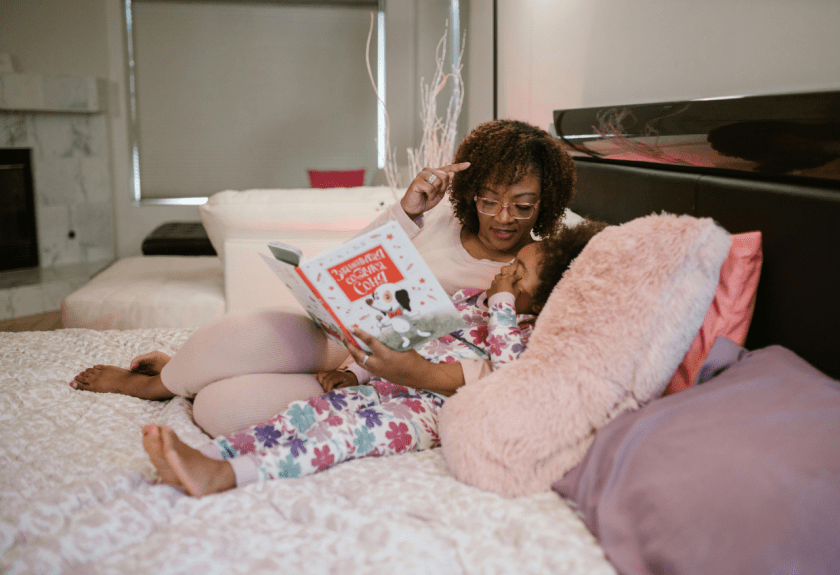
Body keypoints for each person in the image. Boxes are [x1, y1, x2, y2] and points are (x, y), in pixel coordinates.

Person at [71, 119, 578, 437]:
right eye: (489, 200)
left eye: (522, 204)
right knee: (232, 335)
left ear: (545, 202)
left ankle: (193, 375)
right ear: (471, 193)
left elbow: (524, 363)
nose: (503, 217)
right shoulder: (443, 216)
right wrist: (408, 210)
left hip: (393, 377)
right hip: (339, 335)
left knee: (220, 411)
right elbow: (352, 261)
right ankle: (159, 383)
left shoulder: (541, 266)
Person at [141, 220, 609, 497]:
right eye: (513, 263)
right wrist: (355, 373)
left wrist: (506, 308)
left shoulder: (527, 337)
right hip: (379, 385)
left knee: (339, 437)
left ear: (546, 301)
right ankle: (208, 458)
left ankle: (229, 474)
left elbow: (508, 376)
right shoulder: (472, 301)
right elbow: (408, 340)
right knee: (301, 417)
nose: (505, 273)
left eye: (519, 273)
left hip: (422, 413)